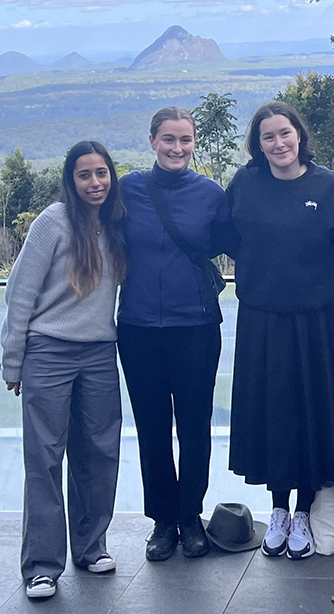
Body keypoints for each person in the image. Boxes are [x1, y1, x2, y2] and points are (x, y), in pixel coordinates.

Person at [226, 101, 334, 560]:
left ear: (299, 135)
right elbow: (220, 239)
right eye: (268, 137)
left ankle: (304, 510)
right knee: (273, 414)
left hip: (316, 322)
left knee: (312, 412)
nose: (279, 143)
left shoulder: (329, 185)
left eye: (285, 133)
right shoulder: (244, 184)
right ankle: (278, 510)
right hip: (261, 321)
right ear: (257, 144)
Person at [1, 141, 126, 599]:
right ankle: (41, 566)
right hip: (48, 353)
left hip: (98, 355)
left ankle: (92, 548)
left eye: (101, 173)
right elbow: (19, 294)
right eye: (84, 175)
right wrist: (12, 359)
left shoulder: (116, 222)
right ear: (70, 181)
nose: (95, 183)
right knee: (44, 458)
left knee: (98, 453)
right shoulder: (51, 223)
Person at [117, 106, 228, 562]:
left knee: (196, 426)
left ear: (194, 143)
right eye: (168, 139)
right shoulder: (127, 190)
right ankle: (163, 520)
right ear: (152, 141)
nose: (177, 148)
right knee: (152, 428)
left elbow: (240, 240)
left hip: (196, 326)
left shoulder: (211, 194)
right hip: (139, 327)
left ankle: (190, 516)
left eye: (185, 140)